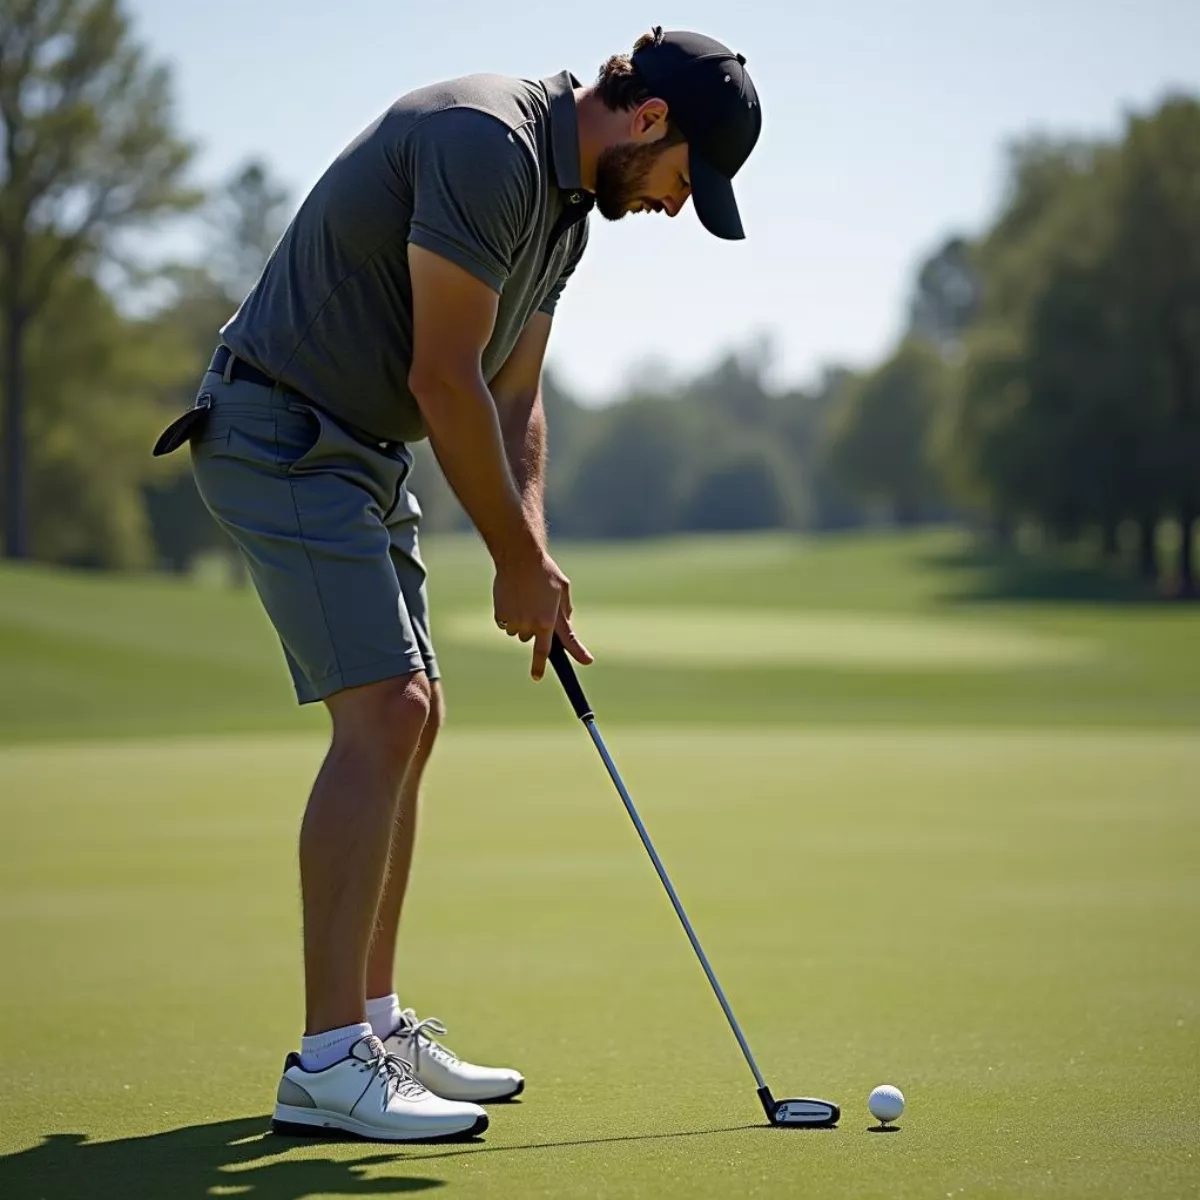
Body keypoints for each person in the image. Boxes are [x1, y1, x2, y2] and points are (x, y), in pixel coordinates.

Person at [153, 26, 761, 1143]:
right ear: (651, 121)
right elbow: (443, 377)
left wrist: (534, 546)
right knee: (383, 713)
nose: (680, 206)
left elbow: (513, 392)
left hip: (359, 453)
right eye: (688, 183)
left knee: (414, 718)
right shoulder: (490, 145)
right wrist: (511, 565)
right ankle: (329, 1063)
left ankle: (373, 1029)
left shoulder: (569, 216)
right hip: (278, 427)